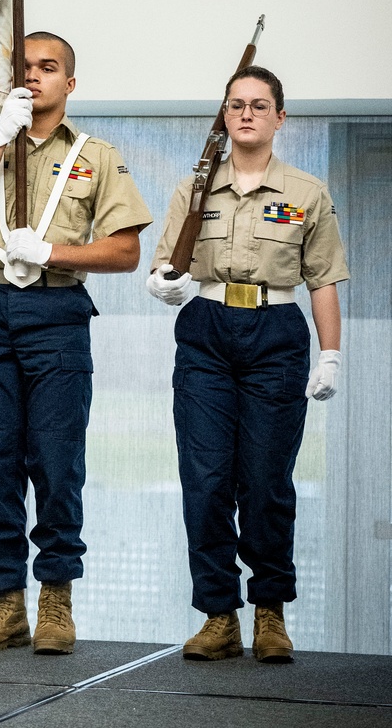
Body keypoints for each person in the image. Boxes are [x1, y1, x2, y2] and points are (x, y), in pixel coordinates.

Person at [0, 32, 151, 654]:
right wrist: (1, 136)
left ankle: (55, 598)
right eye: (24, 68)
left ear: (70, 83)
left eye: (48, 68)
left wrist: (54, 252)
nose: (34, 77)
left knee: (56, 464)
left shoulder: (96, 154)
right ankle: (5, 601)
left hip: (56, 311)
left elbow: (126, 249)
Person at [148, 65, 348, 663]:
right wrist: (162, 284)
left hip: (276, 332)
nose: (246, 114)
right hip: (206, 332)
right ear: (224, 115)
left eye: (259, 105)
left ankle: (269, 614)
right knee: (206, 483)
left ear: (279, 117)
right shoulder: (195, 188)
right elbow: (165, 264)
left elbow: (325, 280)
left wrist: (330, 354)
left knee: (265, 482)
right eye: (236, 105)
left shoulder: (306, 193)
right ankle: (217, 615)